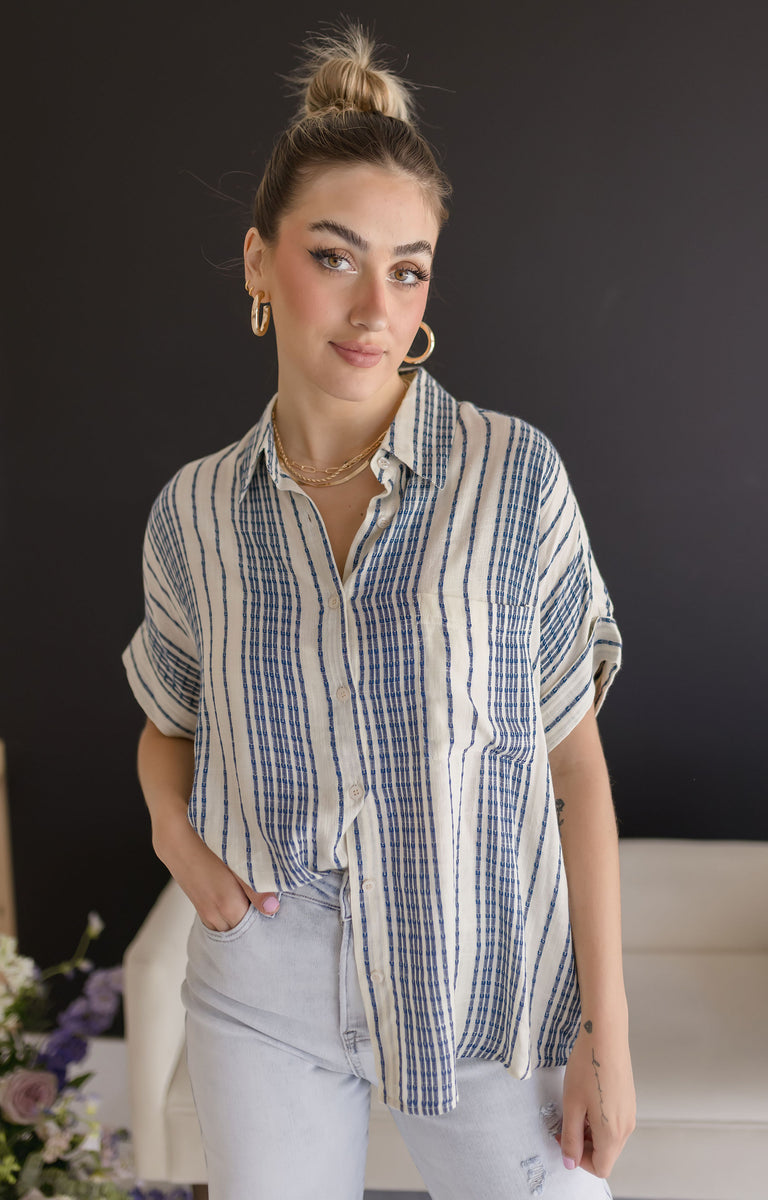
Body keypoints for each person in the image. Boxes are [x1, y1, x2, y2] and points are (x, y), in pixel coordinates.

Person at [123, 24, 635, 1200]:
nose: (372, 308)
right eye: (333, 256)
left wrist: (602, 1034)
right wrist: (176, 844)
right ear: (258, 264)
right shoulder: (194, 511)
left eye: (407, 269)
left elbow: (574, 768)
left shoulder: (511, 476)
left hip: (478, 991)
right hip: (262, 996)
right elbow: (166, 724)